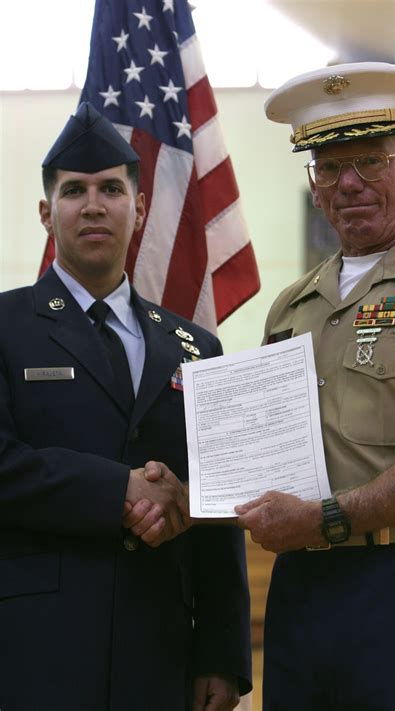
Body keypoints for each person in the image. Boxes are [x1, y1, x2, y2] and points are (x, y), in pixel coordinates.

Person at [236, 62, 395, 710]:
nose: (348, 184)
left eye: (371, 161)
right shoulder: (291, 305)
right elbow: (259, 452)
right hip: (303, 584)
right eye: (329, 167)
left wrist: (330, 516)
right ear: (314, 186)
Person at [0, 102, 251, 711]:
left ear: (139, 210)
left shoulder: (196, 345)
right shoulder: (5, 327)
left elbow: (218, 507)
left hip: (159, 647)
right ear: (46, 212)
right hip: (33, 649)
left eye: (112, 188)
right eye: (74, 191)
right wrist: (119, 490)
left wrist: (222, 652)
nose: (93, 205)